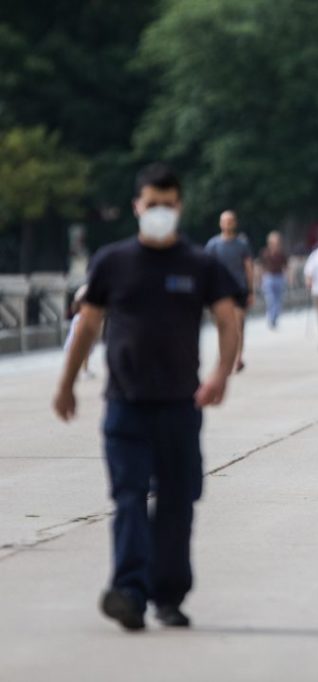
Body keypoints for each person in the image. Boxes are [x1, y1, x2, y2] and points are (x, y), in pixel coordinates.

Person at [52, 163, 239, 631]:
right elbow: (88, 325)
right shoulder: (112, 261)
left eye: (168, 205)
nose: (159, 212)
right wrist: (67, 382)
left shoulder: (200, 264)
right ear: (137, 205)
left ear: (180, 207)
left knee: (177, 503)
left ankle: (169, 596)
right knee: (130, 499)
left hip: (180, 405)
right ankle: (129, 593)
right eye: (151, 204)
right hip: (126, 405)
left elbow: (227, 319)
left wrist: (220, 374)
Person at [205, 210, 253, 372]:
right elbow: (206, 267)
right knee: (222, 326)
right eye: (225, 221)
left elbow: (248, 268)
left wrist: (251, 290)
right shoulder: (213, 245)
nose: (228, 223)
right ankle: (225, 356)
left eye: (231, 220)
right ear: (220, 223)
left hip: (239, 289)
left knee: (238, 325)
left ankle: (238, 357)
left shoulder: (242, 245)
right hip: (220, 291)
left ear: (235, 223)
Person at [259, 231, 287, 329]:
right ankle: (271, 317)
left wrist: (288, 277)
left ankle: (275, 317)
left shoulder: (281, 253)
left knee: (278, 300)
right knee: (270, 299)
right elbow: (261, 266)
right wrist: (261, 278)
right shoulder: (265, 252)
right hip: (269, 277)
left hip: (279, 277)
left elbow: (285, 266)